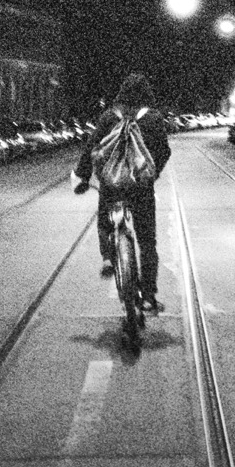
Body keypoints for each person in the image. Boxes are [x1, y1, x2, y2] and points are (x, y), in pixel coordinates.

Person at [73, 73, 173, 312]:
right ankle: (148, 296)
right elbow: (164, 151)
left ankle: (108, 257)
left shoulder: (109, 117)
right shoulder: (153, 119)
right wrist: (151, 174)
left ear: (121, 94)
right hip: (141, 188)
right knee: (147, 242)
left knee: (104, 222)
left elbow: (91, 148)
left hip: (112, 187)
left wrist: (83, 176)